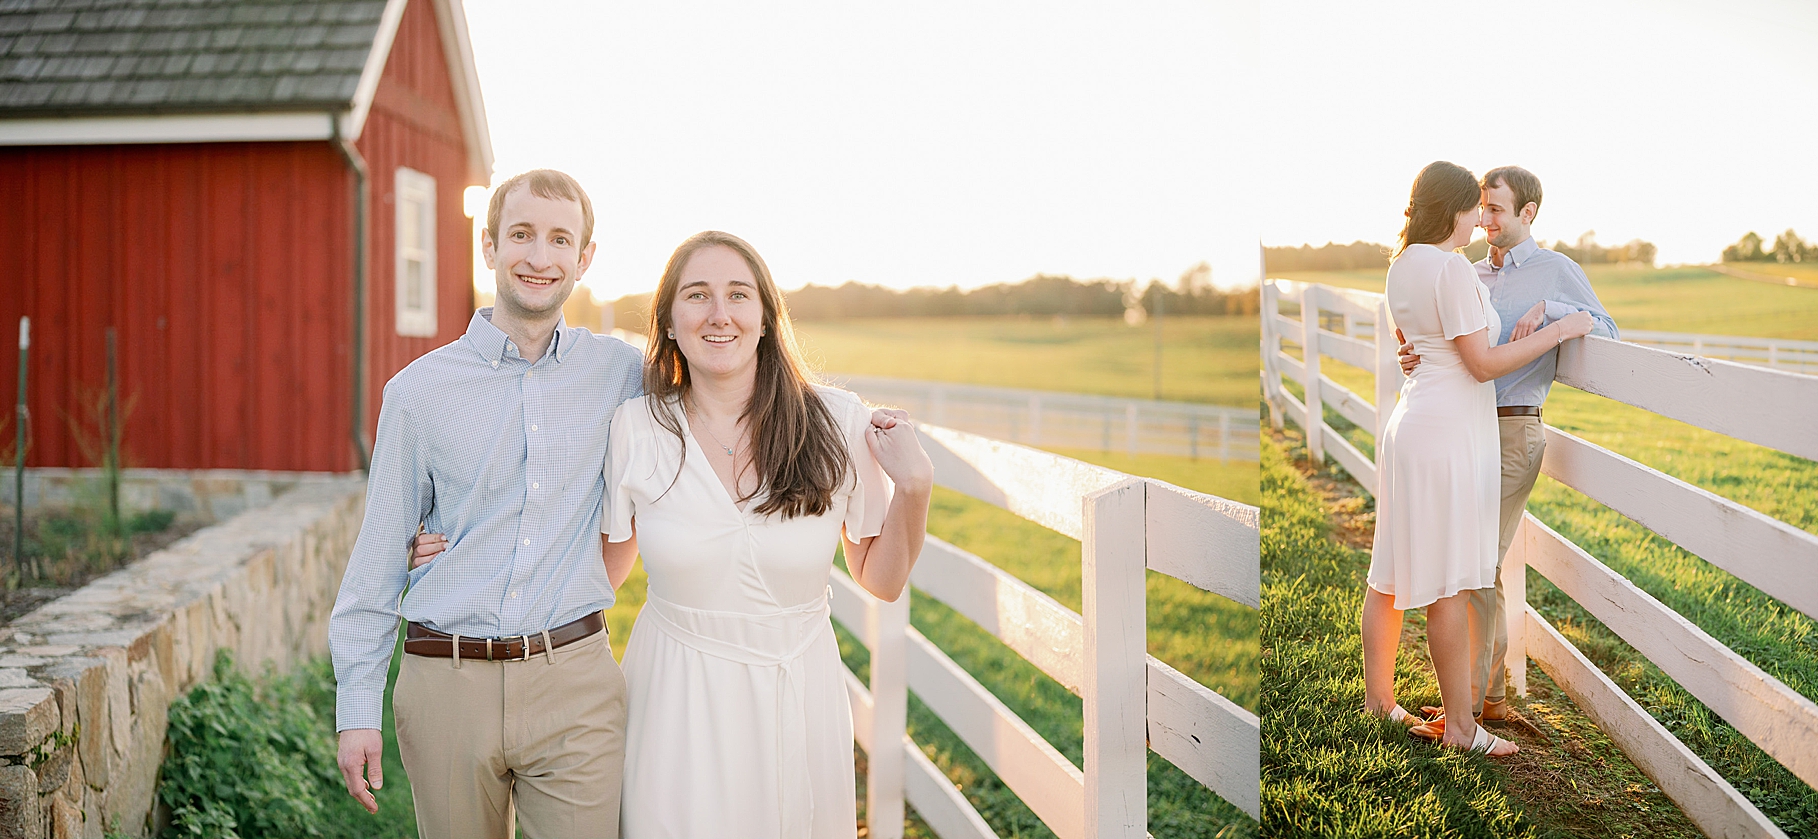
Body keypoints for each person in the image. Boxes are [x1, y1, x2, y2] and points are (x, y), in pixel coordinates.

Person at [413, 231, 933, 838]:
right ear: (669, 320)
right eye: (697, 295)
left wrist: (915, 488)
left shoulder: (837, 421)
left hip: (799, 694)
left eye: (738, 295)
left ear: (765, 317)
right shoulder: (638, 428)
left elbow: (883, 579)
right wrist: (460, 553)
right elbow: (589, 573)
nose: (719, 314)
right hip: (676, 702)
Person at [327, 169, 646, 839]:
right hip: (447, 684)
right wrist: (357, 707)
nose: (539, 256)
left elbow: (726, 397)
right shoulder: (417, 393)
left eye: (561, 239)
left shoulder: (622, 375)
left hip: (576, 682)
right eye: (522, 234)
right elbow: (380, 553)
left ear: (584, 258)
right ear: (490, 246)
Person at [1362, 161, 1593, 756]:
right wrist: (1561, 330)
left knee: (1389, 572)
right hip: (1446, 434)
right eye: (1475, 208)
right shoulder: (1452, 270)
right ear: (1455, 209)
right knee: (1450, 583)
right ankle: (1464, 732)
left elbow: (1425, 345)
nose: (1479, 220)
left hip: (1412, 423)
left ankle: (1380, 705)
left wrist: (1505, 343)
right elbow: (1480, 365)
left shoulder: (1402, 265)